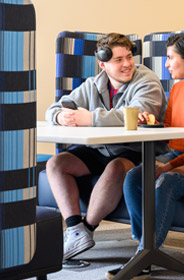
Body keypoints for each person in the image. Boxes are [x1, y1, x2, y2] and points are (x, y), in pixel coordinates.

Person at [106, 32, 184, 279]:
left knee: (167, 180)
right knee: (135, 176)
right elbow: (170, 127)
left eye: (169, 58)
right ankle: (144, 247)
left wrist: (169, 166)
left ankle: (143, 259)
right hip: (180, 153)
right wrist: (149, 122)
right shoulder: (177, 89)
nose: (166, 64)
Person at [45, 33, 168, 260]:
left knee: (116, 167)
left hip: (137, 151)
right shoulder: (93, 84)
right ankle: (74, 229)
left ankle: (88, 228)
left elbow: (142, 111)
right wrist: (61, 117)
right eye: (118, 60)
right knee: (56, 164)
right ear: (103, 64)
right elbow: (54, 109)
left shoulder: (146, 80)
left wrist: (90, 118)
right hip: (101, 149)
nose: (127, 64)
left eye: (129, 57)